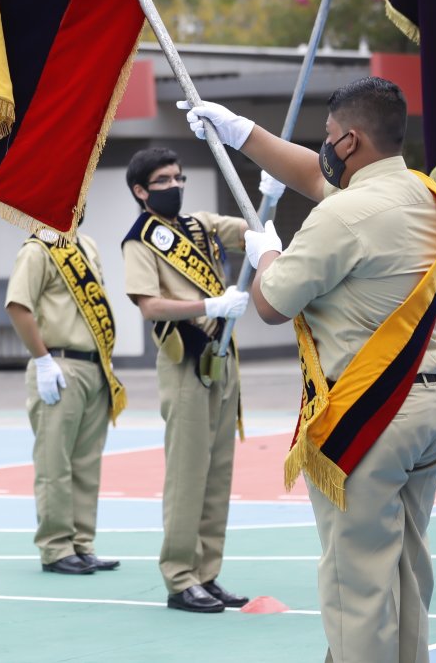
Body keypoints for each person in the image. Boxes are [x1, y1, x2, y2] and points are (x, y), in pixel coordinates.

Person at [182, 77, 436, 660]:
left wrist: (267, 255)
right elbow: (317, 179)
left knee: (355, 587)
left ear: (352, 141)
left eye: (330, 137)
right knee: (407, 574)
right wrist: (242, 133)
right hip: (430, 408)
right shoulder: (420, 193)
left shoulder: (341, 217)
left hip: (372, 416)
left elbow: (269, 303)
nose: (323, 149)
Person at [119, 147, 251, 614]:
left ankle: (207, 572)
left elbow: (248, 230)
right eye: (163, 180)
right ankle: (180, 577)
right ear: (141, 191)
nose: (175, 185)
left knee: (218, 474)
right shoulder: (139, 240)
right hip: (185, 361)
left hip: (223, 357)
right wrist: (209, 307)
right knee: (188, 475)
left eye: (179, 177)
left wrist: (264, 213)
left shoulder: (198, 225)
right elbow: (150, 306)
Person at [4, 222, 126, 575]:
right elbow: (17, 305)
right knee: (54, 463)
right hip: (57, 363)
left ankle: (81, 544)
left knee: (87, 462)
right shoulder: (37, 249)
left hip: (93, 365)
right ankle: (56, 547)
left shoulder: (86, 244)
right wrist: (42, 360)